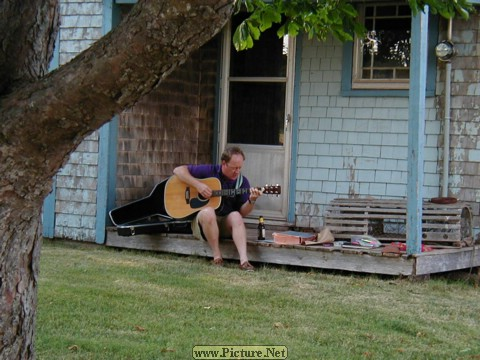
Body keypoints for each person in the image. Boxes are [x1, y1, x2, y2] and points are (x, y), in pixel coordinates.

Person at [173, 146, 262, 271]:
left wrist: (251, 200)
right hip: (203, 224)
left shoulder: (242, 182)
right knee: (208, 211)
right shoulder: (210, 171)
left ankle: (244, 261)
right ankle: (217, 257)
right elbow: (178, 170)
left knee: (236, 215)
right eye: (234, 168)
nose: (237, 171)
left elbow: (243, 212)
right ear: (224, 163)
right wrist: (198, 185)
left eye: (240, 168)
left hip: (224, 223)